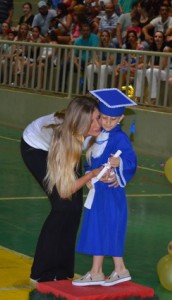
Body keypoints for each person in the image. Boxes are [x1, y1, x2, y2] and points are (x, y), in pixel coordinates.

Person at [21, 96, 104, 283]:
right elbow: (65, 190)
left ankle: (63, 270)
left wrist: (92, 172)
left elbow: (93, 155)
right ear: (80, 123)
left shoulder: (95, 127)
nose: (98, 124)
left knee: (75, 210)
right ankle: (40, 272)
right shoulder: (64, 138)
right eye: (91, 122)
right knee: (62, 207)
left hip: (71, 146)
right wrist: (89, 176)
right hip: (38, 148)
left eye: (98, 117)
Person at [73, 88, 137, 287]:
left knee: (105, 228)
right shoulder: (96, 137)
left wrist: (120, 165)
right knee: (97, 229)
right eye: (103, 118)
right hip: (98, 192)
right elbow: (91, 163)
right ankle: (102, 271)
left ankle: (104, 270)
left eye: (113, 119)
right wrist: (88, 176)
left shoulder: (120, 139)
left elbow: (131, 161)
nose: (107, 123)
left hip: (110, 193)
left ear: (120, 120)